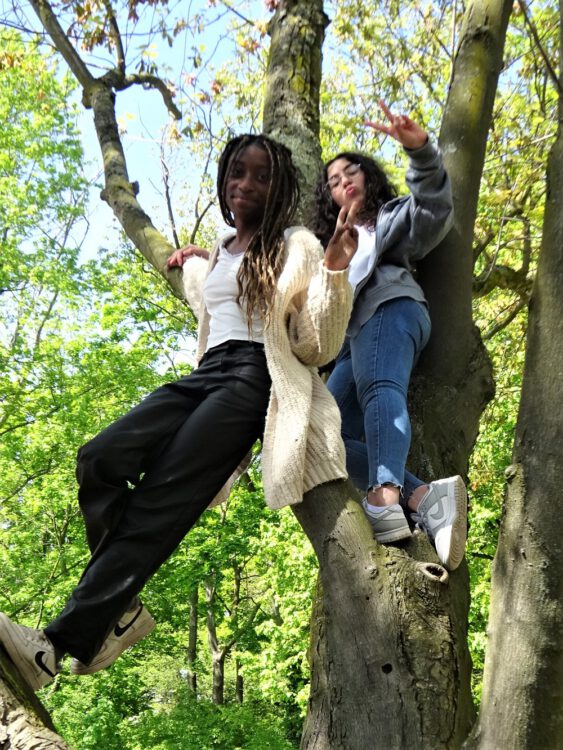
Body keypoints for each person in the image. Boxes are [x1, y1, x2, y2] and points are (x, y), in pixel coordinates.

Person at [0, 133, 359, 692]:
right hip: (205, 374)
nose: (245, 184)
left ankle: (55, 647)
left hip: (251, 379)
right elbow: (207, 297)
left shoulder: (297, 245)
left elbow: (317, 344)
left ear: (279, 188)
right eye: (237, 171)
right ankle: (119, 607)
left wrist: (335, 268)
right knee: (99, 457)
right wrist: (194, 259)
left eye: (261, 176)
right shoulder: (222, 247)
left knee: (156, 505)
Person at [310, 100, 467, 571]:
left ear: (368, 176)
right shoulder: (327, 245)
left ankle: (385, 494)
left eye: (350, 171)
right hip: (349, 341)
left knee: (381, 389)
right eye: (332, 181)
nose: (343, 181)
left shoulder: (389, 219)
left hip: (391, 309)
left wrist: (421, 152)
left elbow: (435, 209)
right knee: (318, 436)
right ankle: (424, 498)